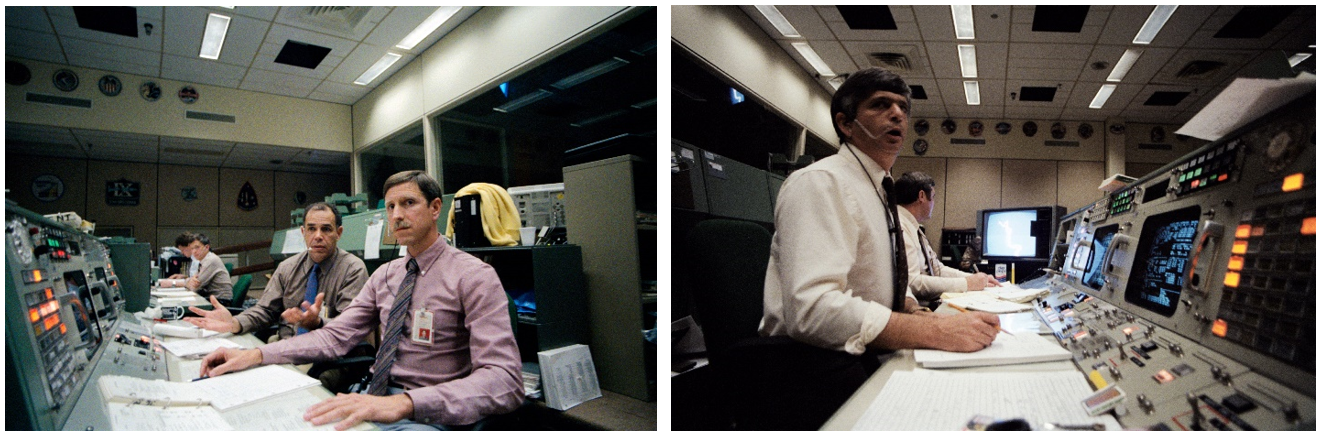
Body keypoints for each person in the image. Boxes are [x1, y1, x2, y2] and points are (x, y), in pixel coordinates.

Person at [756, 68, 1001, 428]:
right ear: (846, 123)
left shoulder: (877, 189)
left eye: (903, 107)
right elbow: (812, 309)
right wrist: (933, 332)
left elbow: (868, 279)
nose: (898, 114)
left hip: (858, 354)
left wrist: (912, 311)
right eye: (880, 105)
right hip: (815, 370)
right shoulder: (821, 183)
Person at [198, 171, 523, 430]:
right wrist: (255, 354)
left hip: (428, 413)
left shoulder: (473, 276)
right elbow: (337, 335)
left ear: (436, 208)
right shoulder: (386, 275)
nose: (396, 215)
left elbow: (505, 380)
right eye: (391, 207)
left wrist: (404, 404)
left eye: (408, 203)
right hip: (372, 395)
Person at [185, 202, 368, 341]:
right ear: (303, 232)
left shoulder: (353, 269)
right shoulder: (287, 267)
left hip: (327, 351)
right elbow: (265, 311)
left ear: (339, 233)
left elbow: (350, 327)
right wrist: (235, 322)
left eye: (326, 229)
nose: (318, 236)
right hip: (285, 343)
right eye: (312, 229)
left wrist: (318, 323)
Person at [893, 171, 1000, 308]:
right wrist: (966, 284)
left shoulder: (914, 227)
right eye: (933, 197)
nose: (934, 204)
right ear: (921, 196)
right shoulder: (901, 228)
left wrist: (975, 279)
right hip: (918, 309)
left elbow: (937, 269)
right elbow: (912, 282)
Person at [161, 233, 232, 300]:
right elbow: (193, 281)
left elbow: (195, 287)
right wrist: (190, 280)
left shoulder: (211, 260)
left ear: (207, 247)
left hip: (221, 302)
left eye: (197, 247)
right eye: (192, 249)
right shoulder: (203, 260)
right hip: (211, 299)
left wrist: (174, 283)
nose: (194, 251)